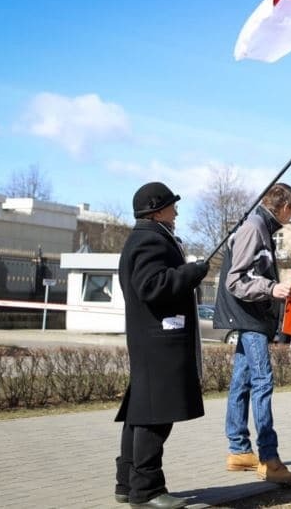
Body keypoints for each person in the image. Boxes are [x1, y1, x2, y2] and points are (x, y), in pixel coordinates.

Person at [114, 182, 209, 509]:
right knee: (156, 417)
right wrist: (191, 274)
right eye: (172, 206)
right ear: (156, 210)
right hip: (159, 343)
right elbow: (151, 286)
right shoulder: (150, 240)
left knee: (140, 414)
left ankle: (127, 483)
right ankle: (147, 490)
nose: (177, 212)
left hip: (153, 342)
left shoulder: (145, 237)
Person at [218, 183, 291, 484]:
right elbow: (234, 281)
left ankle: (239, 449)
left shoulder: (262, 226)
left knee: (242, 380)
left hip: (254, 318)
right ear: (284, 207)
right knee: (263, 382)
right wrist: (271, 288)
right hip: (250, 318)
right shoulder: (254, 227)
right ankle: (269, 458)